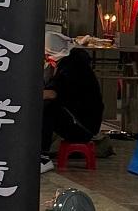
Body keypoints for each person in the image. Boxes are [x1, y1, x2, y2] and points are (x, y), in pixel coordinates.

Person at [40, 31, 103, 174]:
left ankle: (43, 158)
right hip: (80, 120)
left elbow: (52, 93)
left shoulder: (72, 67)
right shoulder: (70, 61)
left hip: (83, 127)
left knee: (48, 108)